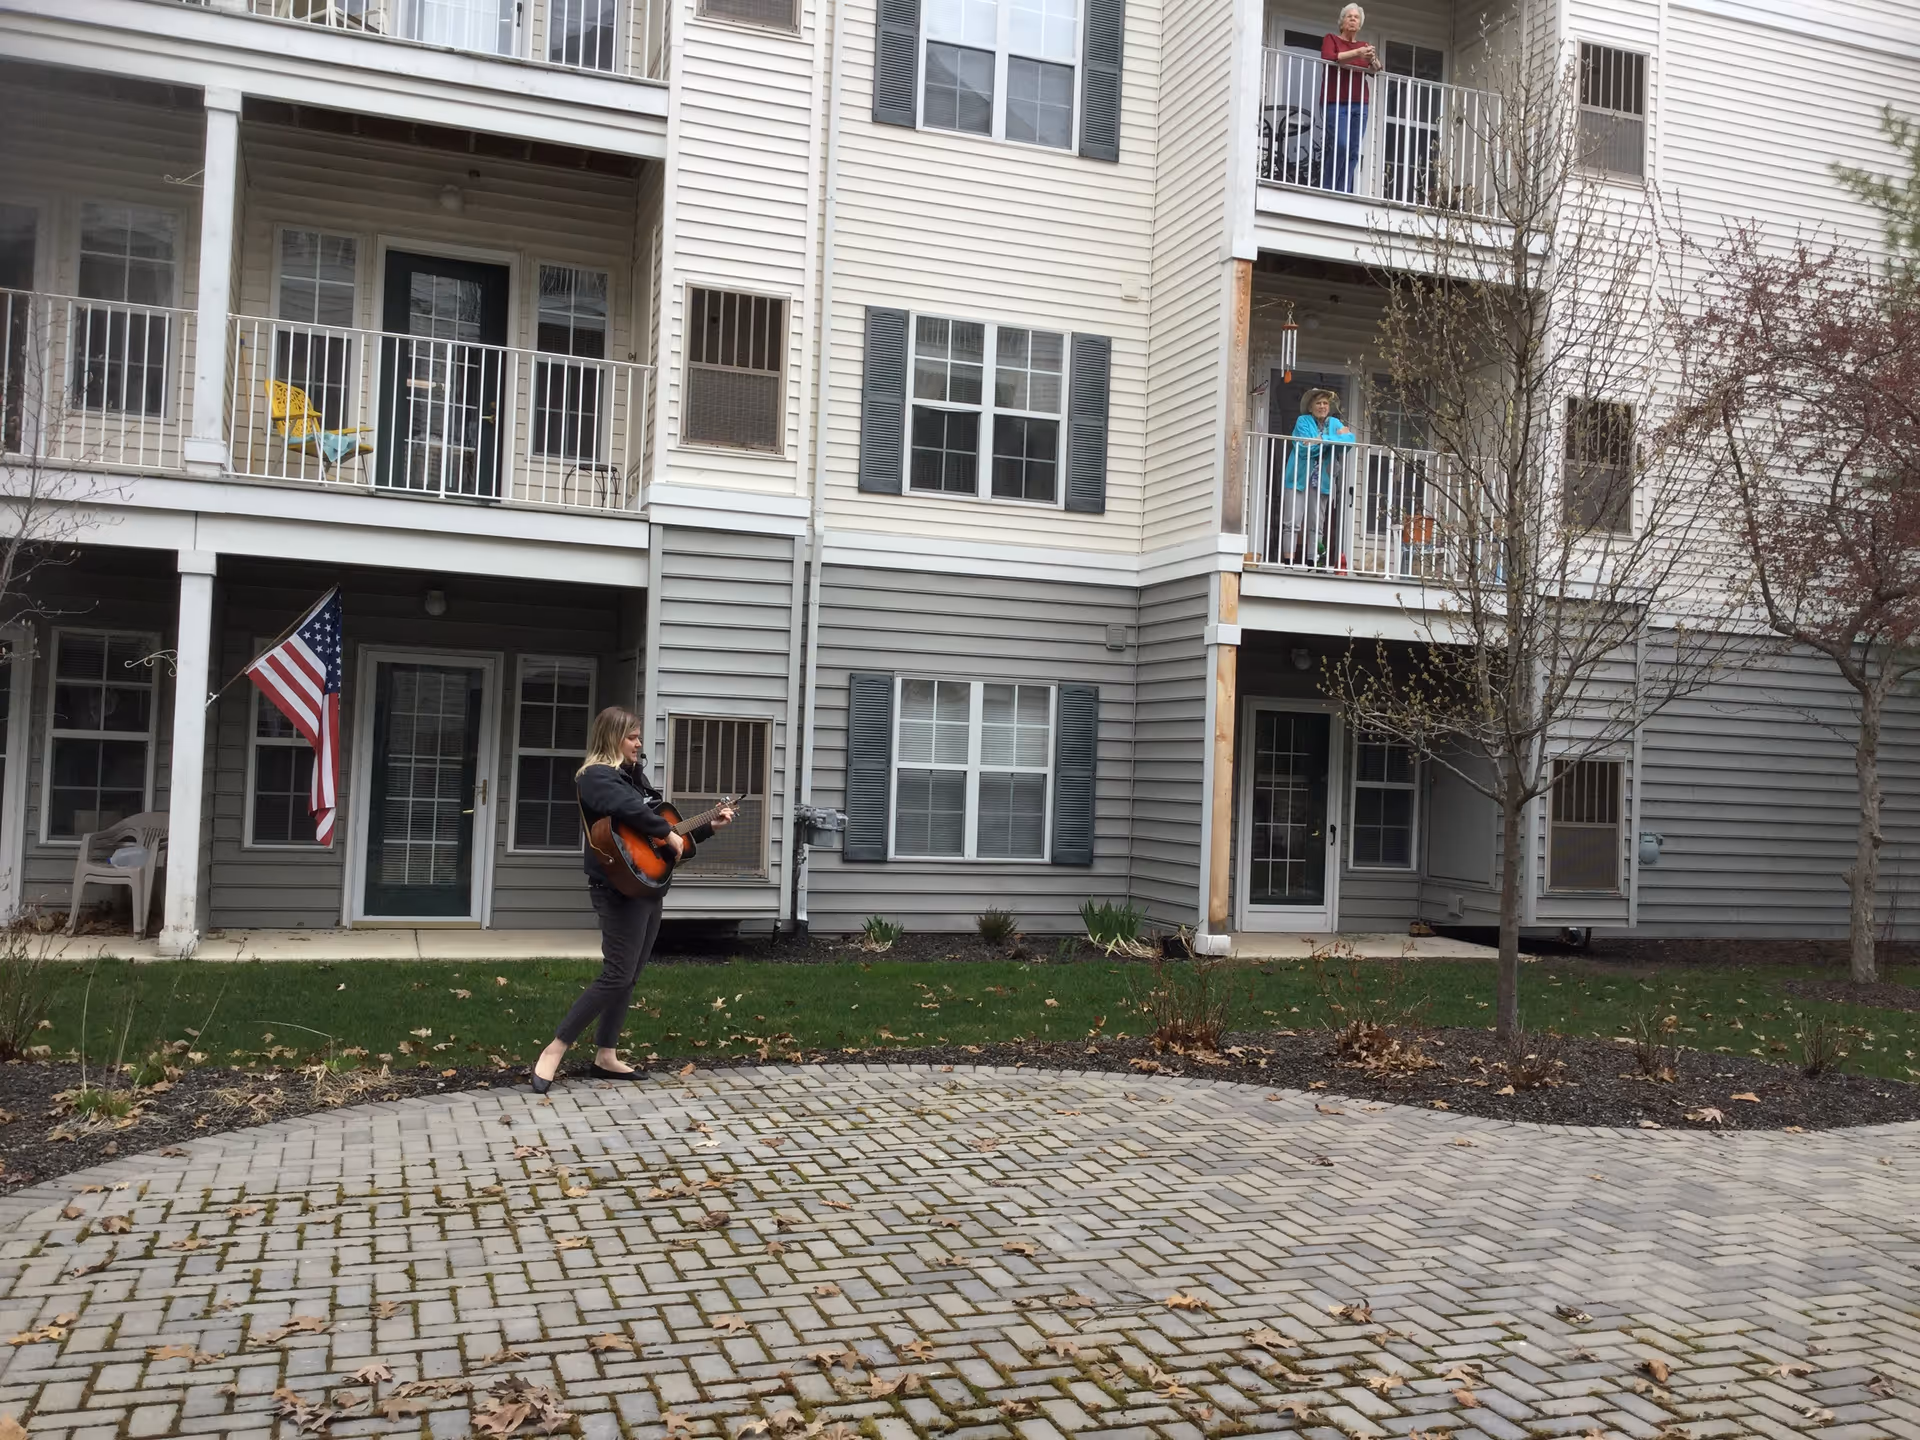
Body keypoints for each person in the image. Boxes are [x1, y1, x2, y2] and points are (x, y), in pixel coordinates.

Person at [529, 706, 732, 1092]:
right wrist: (664, 830)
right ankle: (555, 1048)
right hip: (617, 890)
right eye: (632, 737)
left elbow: (661, 838)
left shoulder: (632, 779)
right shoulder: (595, 777)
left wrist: (708, 828)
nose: (639, 744)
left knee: (630, 976)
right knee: (616, 973)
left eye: (639, 737)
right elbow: (630, 812)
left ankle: (606, 1055)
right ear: (612, 738)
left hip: (646, 887)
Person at [1280, 388, 1356, 567]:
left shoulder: (1334, 422)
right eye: (1318, 403)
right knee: (1292, 521)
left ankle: (1312, 562)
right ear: (1310, 407)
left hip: (1321, 479)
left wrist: (1321, 438)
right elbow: (1307, 449)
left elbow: (1349, 442)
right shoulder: (1303, 421)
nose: (1322, 406)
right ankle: (1288, 562)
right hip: (1298, 477)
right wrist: (1332, 439)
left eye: (1325, 403)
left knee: (1317, 524)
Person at [1320, 4, 1380, 193]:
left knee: (1353, 150)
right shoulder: (1331, 39)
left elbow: (1376, 70)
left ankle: (1344, 189)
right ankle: (1329, 188)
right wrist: (1358, 53)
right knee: (1340, 144)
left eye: (1356, 17)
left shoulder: (1363, 46)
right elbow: (1331, 57)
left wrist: (1372, 59)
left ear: (1360, 24)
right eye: (1349, 16)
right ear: (1342, 22)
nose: (1353, 19)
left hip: (1359, 102)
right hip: (1335, 101)